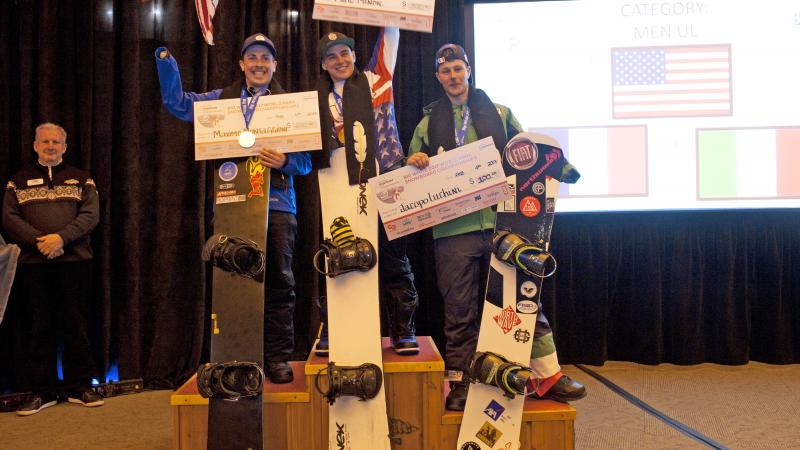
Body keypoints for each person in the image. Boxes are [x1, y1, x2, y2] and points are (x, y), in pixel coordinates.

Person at [406, 44, 587, 410]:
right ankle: (460, 380)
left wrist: (563, 168)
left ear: (468, 70)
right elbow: (407, 173)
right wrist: (415, 161)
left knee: (524, 296)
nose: (453, 76)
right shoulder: (426, 124)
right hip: (453, 230)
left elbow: (531, 151)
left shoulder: (501, 113)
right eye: (446, 71)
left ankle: (546, 375)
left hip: (504, 222)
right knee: (459, 309)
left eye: (458, 68)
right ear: (438, 77)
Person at [154, 34, 312, 384]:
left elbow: (304, 166)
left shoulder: (291, 106)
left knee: (279, 285)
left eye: (265, 58)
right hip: (231, 205)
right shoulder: (220, 102)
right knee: (233, 284)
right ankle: (237, 357)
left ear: (274, 65)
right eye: (252, 57)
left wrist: (286, 160)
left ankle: (277, 358)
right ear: (241, 64)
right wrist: (166, 60)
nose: (258, 63)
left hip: (278, 208)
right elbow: (177, 104)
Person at [313, 28, 420, 356]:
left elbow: (391, 31)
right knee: (340, 253)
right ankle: (334, 327)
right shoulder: (317, 101)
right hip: (341, 188)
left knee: (394, 261)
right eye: (331, 57)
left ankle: (402, 330)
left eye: (345, 53)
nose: (340, 60)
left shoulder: (377, 80)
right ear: (324, 65)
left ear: (355, 56)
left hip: (387, 180)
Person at [2, 122, 103, 415]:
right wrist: (40, 242)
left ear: (65, 147)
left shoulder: (81, 179)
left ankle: (80, 386)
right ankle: (42, 391)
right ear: (35, 145)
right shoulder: (17, 182)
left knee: (77, 325)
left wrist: (61, 238)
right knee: (39, 328)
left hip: (75, 264)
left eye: (56, 142)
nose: (50, 146)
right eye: (45, 142)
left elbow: (91, 215)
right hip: (34, 265)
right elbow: (9, 218)